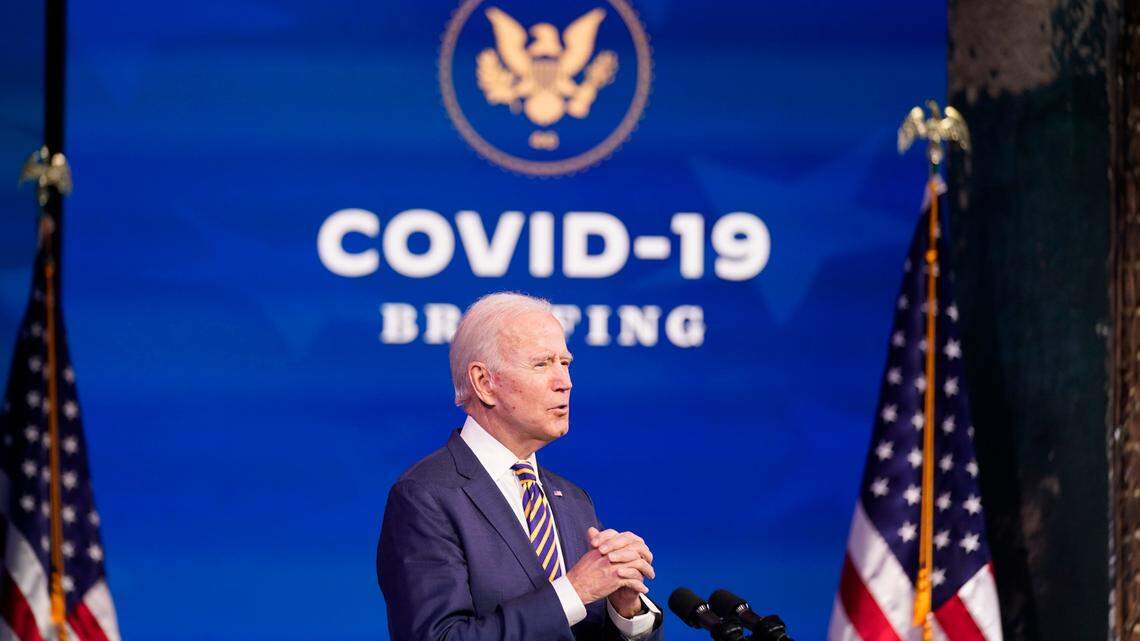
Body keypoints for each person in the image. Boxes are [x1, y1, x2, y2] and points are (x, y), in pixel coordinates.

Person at [377, 292, 663, 641]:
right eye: (542, 364)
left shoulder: (574, 501)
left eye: (565, 363)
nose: (565, 382)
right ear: (484, 383)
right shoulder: (426, 496)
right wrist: (574, 591)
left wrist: (626, 610)